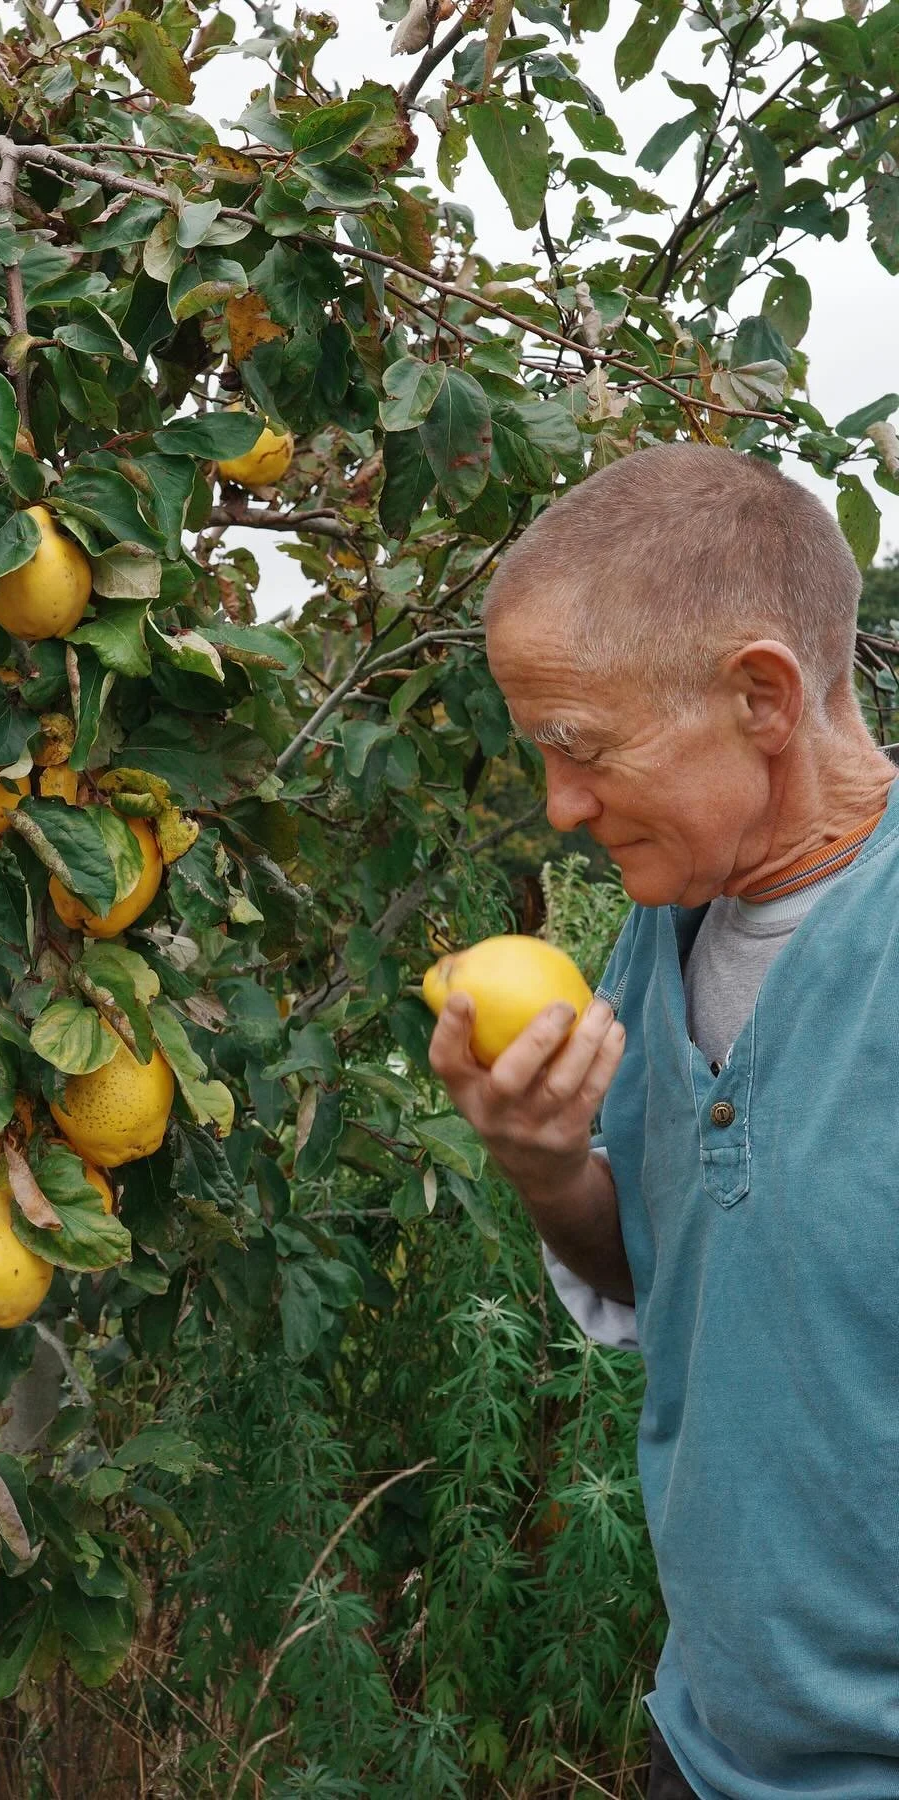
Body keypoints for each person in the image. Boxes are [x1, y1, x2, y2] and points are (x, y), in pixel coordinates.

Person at [427, 442, 899, 1800]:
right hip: (706, 1742)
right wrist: (545, 1165)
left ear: (761, 696)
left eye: (581, 749)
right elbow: (663, 1266)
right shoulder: (665, 927)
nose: (560, 807)